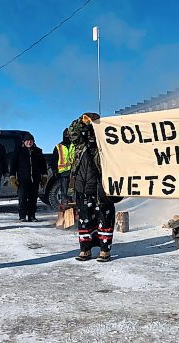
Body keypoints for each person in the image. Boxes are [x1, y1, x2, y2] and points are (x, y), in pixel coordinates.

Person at [68, 112, 122, 262]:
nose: (92, 134)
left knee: (104, 218)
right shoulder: (81, 144)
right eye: (90, 131)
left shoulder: (108, 145)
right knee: (85, 220)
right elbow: (73, 132)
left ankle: (105, 250)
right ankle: (85, 250)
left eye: (95, 131)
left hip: (101, 188)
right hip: (83, 188)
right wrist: (82, 120)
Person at [9, 133, 47, 222]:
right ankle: (22, 216)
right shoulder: (18, 151)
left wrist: (44, 176)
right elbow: (13, 164)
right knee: (22, 198)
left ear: (33, 142)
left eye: (31, 141)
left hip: (35, 179)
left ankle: (32, 216)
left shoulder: (38, 151)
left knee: (33, 199)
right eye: (27, 141)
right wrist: (12, 176)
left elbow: (43, 165)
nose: (29, 142)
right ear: (24, 142)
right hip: (22, 180)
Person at [52, 128, 75, 209]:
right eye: (66, 135)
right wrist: (55, 170)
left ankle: (73, 208)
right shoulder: (58, 147)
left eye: (69, 135)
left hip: (74, 171)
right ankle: (65, 208)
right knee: (64, 192)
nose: (68, 136)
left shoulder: (74, 145)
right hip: (63, 172)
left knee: (73, 192)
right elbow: (54, 160)